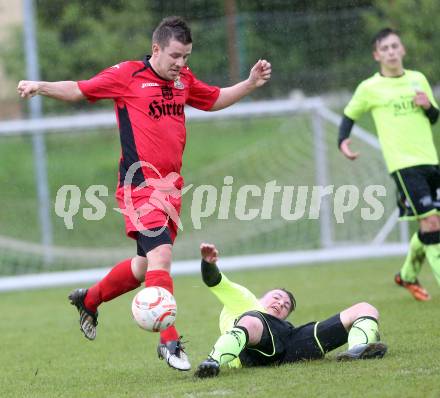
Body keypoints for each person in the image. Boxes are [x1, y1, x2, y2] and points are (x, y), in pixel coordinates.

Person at [17, 16, 271, 371]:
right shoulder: (128, 76)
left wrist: (248, 83)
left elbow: (213, 99)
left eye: (186, 56)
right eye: (175, 56)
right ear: (156, 49)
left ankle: (89, 300)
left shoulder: (183, 80)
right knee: (162, 258)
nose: (181, 63)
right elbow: (79, 89)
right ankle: (168, 342)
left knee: (142, 266)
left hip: (170, 189)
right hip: (139, 186)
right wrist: (39, 86)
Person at [338, 28, 440, 302]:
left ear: (403, 50)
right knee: (431, 221)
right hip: (403, 165)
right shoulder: (370, 88)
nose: (391, 52)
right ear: (377, 55)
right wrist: (342, 141)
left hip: (431, 161)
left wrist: (427, 106)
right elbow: (350, 114)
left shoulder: (418, 79)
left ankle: (406, 275)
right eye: (385, 49)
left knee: (431, 224)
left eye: (395, 46)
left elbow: (434, 116)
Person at [194, 243, 387, 378]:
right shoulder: (245, 300)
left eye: (286, 306)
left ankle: (357, 350)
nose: (280, 304)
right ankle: (213, 362)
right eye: (276, 297)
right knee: (252, 320)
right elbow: (214, 280)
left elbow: (287, 330)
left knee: (365, 308)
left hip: (288, 344)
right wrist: (208, 263)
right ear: (262, 297)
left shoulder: (283, 326)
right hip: (250, 354)